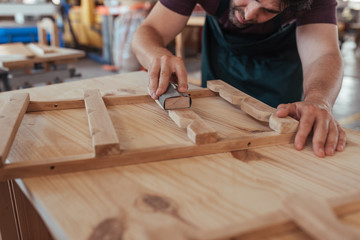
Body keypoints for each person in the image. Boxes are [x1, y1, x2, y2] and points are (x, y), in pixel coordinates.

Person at [131, 0, 346, 157]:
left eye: (268, 9)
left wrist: (319, 100)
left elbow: (323, 54)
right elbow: (149, 30)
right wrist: (156, 54)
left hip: (279, 62)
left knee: (280, 143)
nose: (250, 14)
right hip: (222, 52)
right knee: (214, 131)